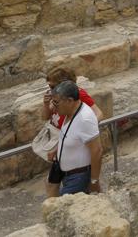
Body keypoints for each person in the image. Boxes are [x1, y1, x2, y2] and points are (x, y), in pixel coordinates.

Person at [40, 67, 100, 198]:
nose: (50, 89)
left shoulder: (80, 110)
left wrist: (87, 131)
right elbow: (46, 115)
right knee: (50, 185)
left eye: (52, 86)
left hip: (77, 170)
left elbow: (97, 149)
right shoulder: (62, 103)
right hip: (62, 152)